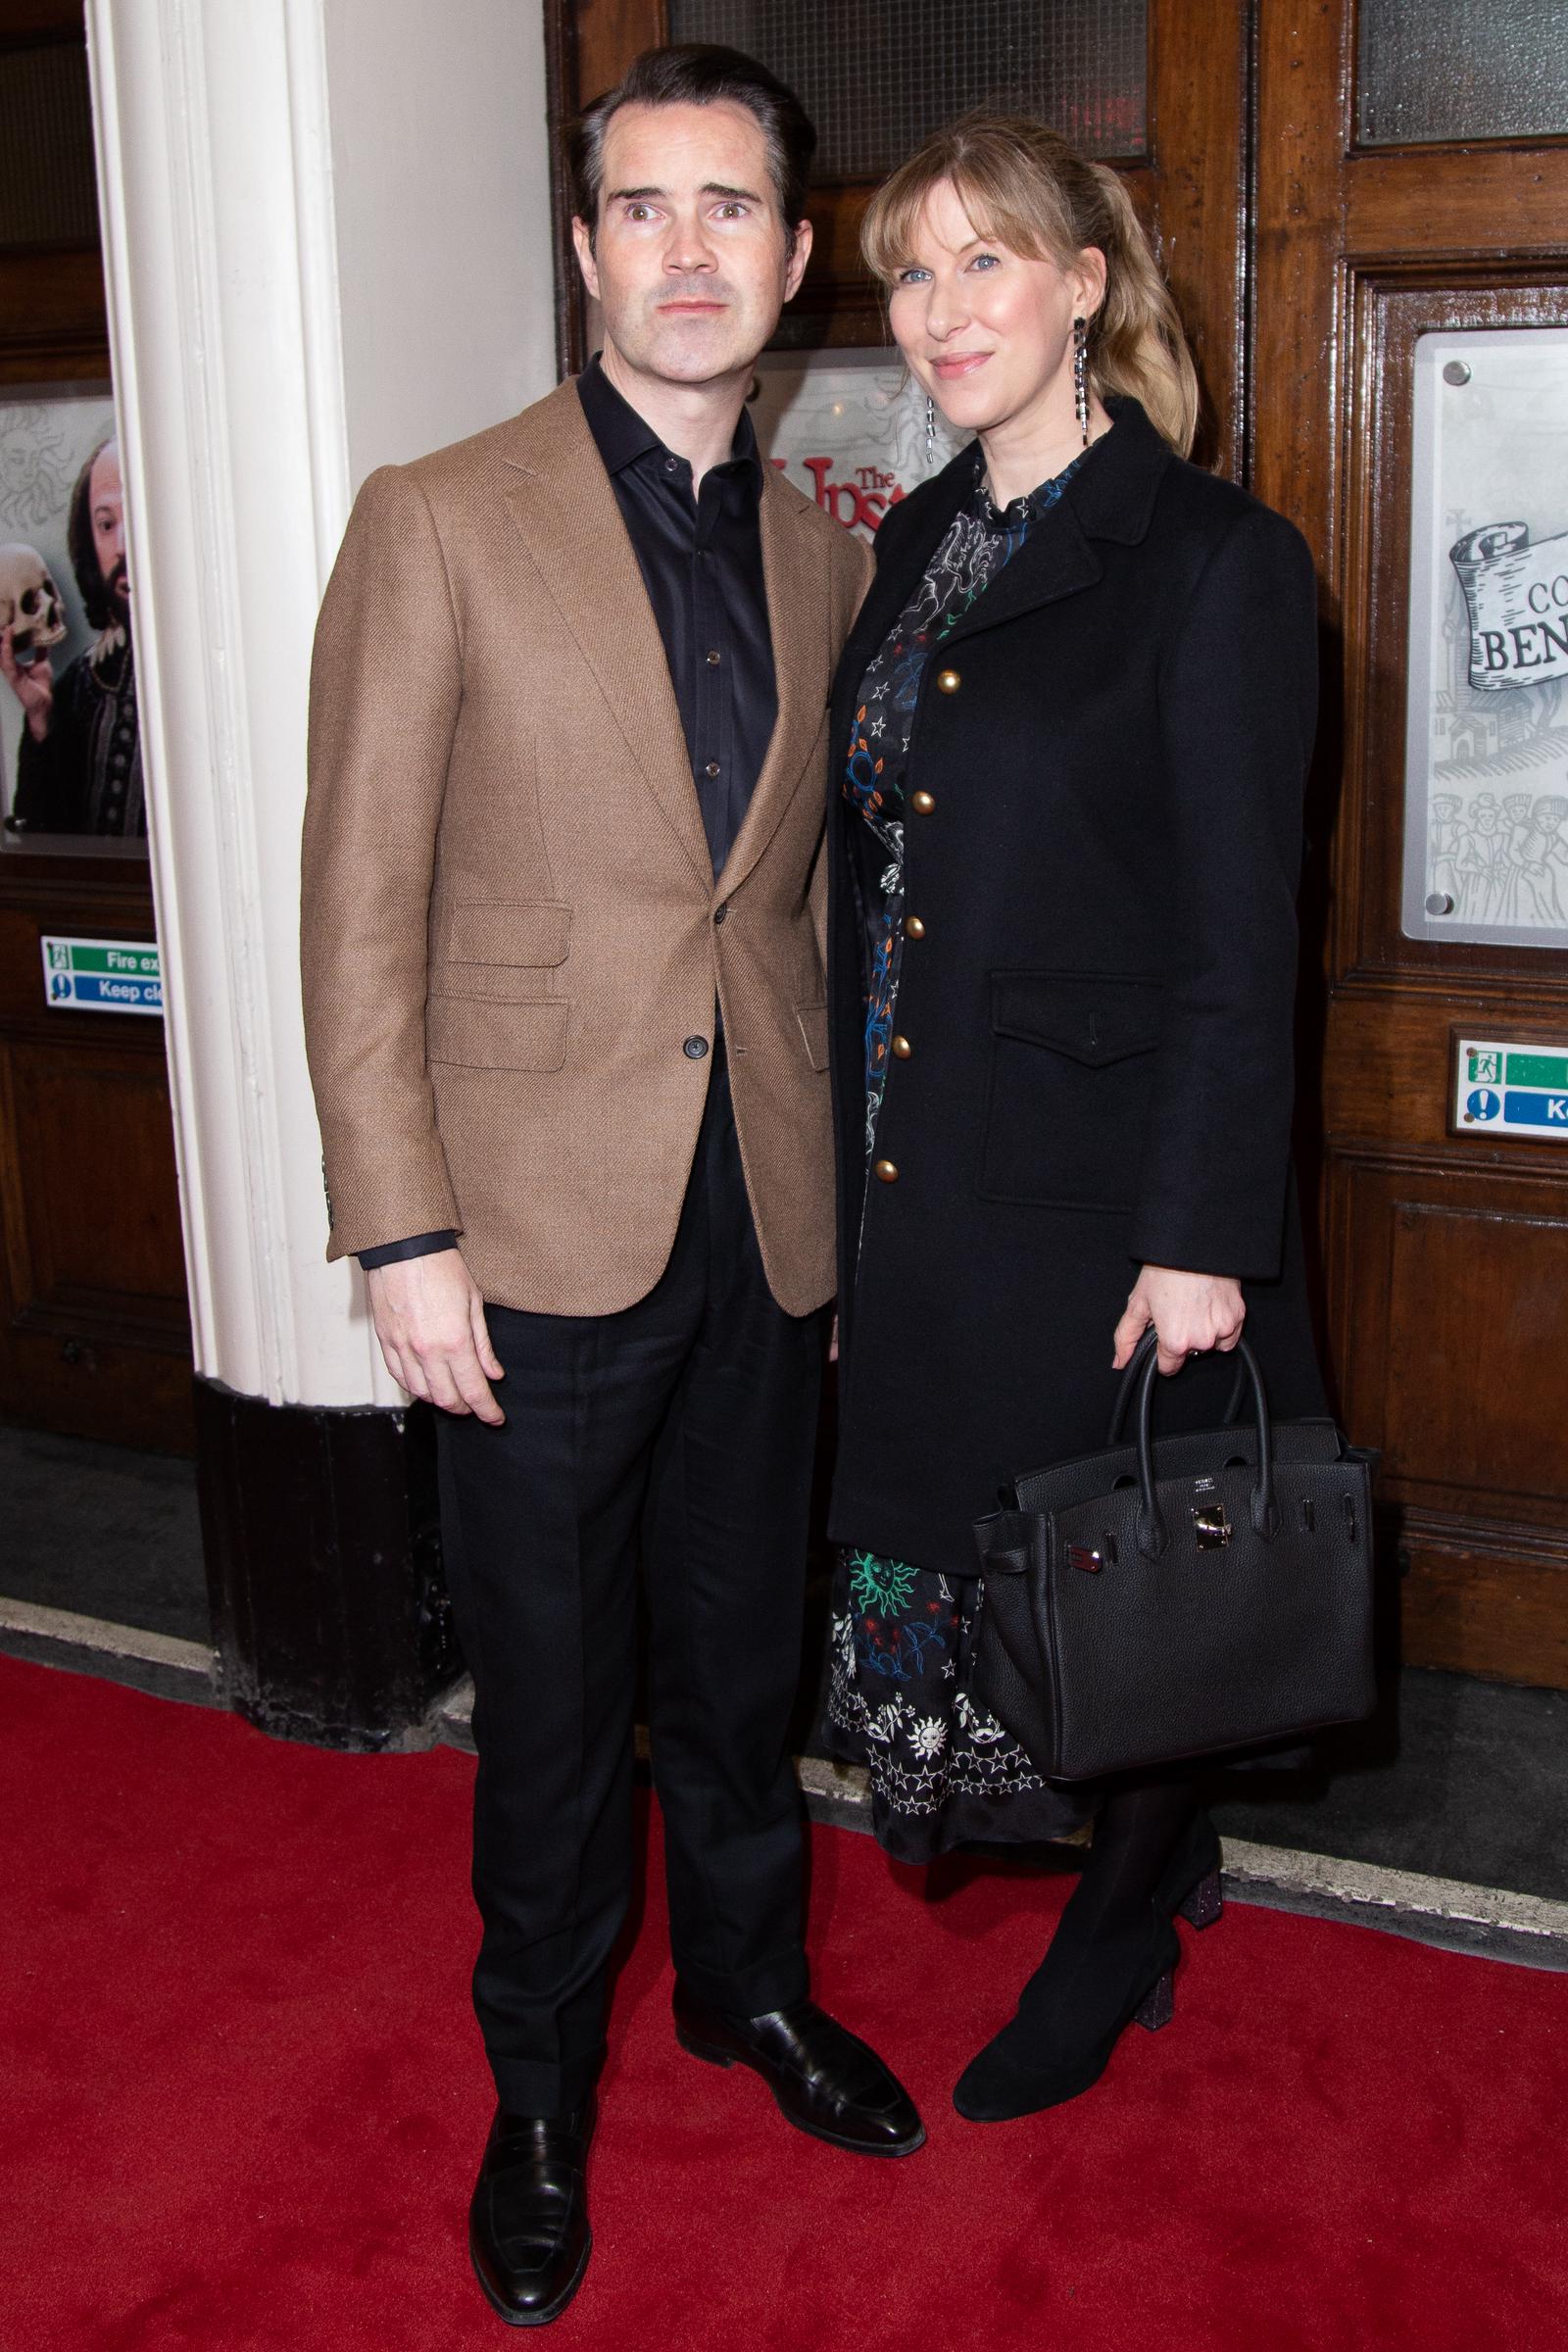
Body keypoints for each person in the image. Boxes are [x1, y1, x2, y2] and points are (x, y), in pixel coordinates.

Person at [300, 43, 921, 2334]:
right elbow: (354, 899)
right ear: (584, 253)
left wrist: (840, 1220)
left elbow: (805, 915)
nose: (686, 248)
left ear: (788, 251)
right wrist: (399, 1226)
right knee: (557, 1707)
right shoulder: (438, 512)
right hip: (527, 1242)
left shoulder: (817, 547)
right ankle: (537, 2090)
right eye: (641, 206)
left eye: (728, 208)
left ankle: (743, 1989)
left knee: (740, 1668)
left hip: (758, 1220)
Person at [821, 112, 1328, 2123]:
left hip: (1106, 1192)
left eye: (982, 264)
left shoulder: (1213, 562)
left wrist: (1198, 1231)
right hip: (924, 1157)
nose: (938, 312)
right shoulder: (915, 539)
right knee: (996, 1570)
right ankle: (1150, 1851)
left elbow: (1238, 929)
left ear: (1084, 287)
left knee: (1128, 1576)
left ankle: (1117, 1927)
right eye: (908, 273)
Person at [2, 436, 143, 838]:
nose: (121, 547)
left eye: (134, 517)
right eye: (105, 524)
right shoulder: (80, 686)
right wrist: (41, 718)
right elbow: (42, 840)